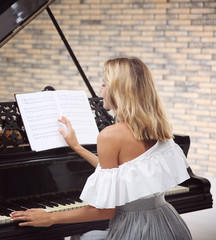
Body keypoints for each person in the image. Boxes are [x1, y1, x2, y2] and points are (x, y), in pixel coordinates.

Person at [10, 56, 192, 240]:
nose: (100, 90)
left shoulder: (111, 134)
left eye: (104, 84)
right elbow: (123, 174)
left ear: (118, 90)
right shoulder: (158, 128)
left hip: (136, 230)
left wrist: (50, 217)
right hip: (167, 223)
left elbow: (105, 210)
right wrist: (77, 147)